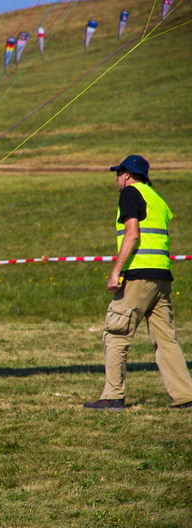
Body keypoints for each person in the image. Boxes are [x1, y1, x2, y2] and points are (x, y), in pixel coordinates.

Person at [84, 155, 192, 410]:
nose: (117, 179)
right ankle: (185, 396)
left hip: (138, 276)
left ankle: (112, 396)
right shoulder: (156, 198)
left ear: (128, 175)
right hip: (161, 277)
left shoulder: (130, 193)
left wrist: (116, 271)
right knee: (166, 340)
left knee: (116, 333)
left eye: (118, 174)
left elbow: (132, 235)